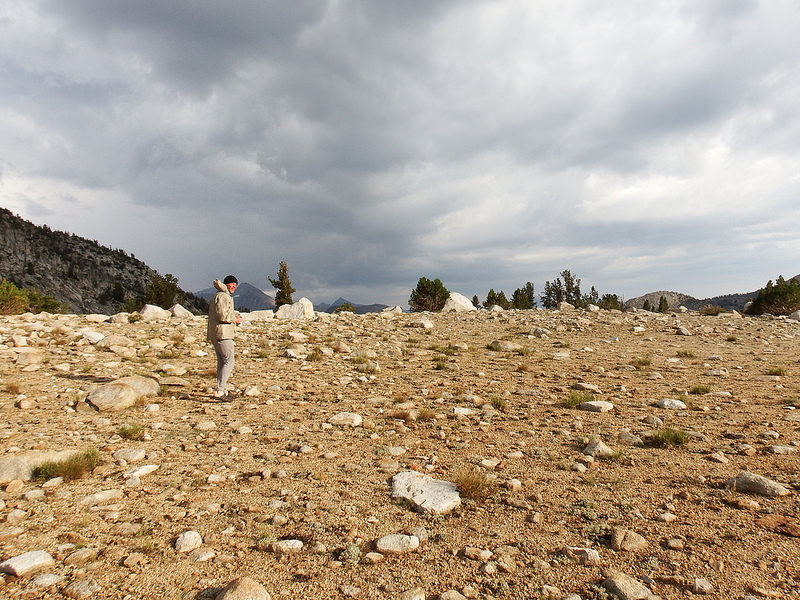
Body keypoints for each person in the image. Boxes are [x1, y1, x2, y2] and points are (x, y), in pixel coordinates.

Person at [207, 275, 242, 400]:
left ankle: (222, 389)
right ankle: (220, 390)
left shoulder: (221, 295)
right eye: (231, 283)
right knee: (229, 361)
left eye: (235, 284)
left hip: (218, 333)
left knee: (222, 361)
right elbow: (222, 316)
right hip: (222, 334)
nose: (234, 286)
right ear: (226, 284)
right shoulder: (223, 296)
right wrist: (235, 319)